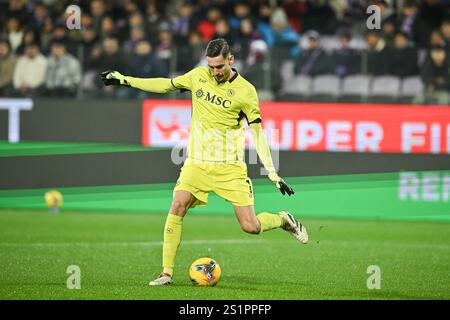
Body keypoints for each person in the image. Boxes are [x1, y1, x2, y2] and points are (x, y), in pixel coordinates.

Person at [100, 38, 308, 286]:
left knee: (250, 226)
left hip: (229, 168)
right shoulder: (198, 76)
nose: (215, 72)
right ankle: (166, 273)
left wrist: (272, 173)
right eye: (211, 66)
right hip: (196, 163)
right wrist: (124, 79)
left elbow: (258, 134)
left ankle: (284, 219)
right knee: (177, 205)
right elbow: (164, 85)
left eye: (219, 66)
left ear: (230, 59)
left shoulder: (246, 91)